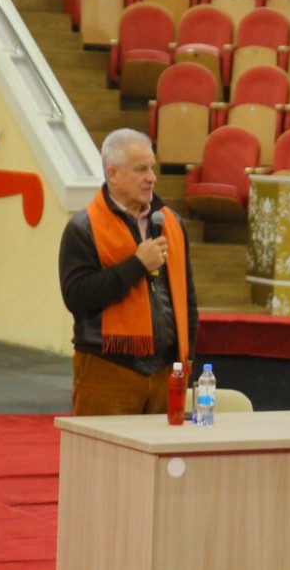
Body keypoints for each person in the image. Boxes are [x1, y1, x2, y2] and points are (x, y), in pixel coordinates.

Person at [59, 128, 198, 416]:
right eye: (141, 169)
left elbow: (188, 298)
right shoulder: (83, 228)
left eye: (152, 168)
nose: (152, 177)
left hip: (167, 370)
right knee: (101, 448)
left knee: (164, 448)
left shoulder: (170, 222)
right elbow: (77, 297)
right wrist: (136, 265)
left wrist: (187, 355)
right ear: (113, 174)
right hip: (108, 369)